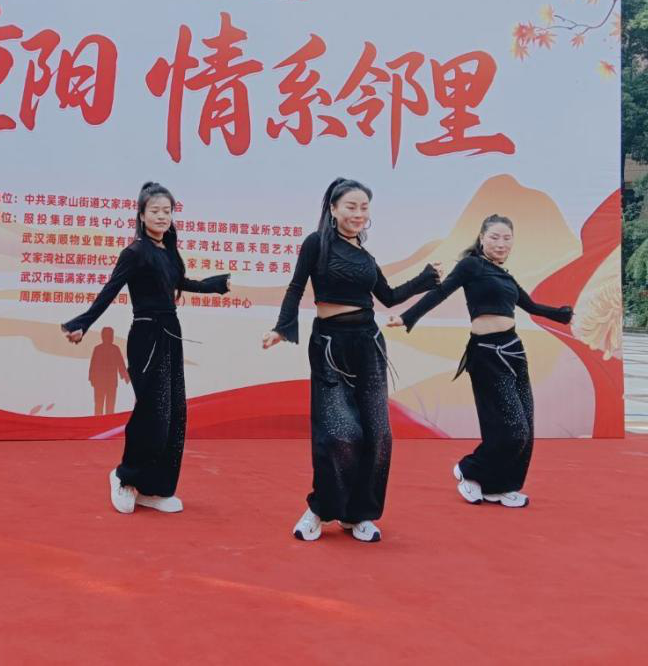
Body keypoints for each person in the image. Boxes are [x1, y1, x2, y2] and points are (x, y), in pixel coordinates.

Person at [263, 177, 440, 544]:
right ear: (333, 209)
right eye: (351, 206)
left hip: (368, 343)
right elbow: (296, 287)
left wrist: (425, 279)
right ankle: (319, 509)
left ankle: (359, 513)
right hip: (330, 343)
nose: (358, 214)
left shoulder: (364, 255)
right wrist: (282, 327)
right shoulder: (316, 244)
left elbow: (388, 296)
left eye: (364, 207)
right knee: (339, 434)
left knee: (379, 434)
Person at [62, 181, 231, 515]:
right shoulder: (135, 252)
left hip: (171, 334)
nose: (162, 216)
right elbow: (110, 290)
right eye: (155, 211)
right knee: (152, 412)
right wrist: (83, 322)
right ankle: (124, 477)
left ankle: (155, 488)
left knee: (174, 414)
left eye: (167, 211)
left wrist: (217, 285)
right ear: (141, 215)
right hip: (146, 336)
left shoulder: (168, 250)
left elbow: (180, 283)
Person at [388, 214, 573, 509]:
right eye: (495, 237)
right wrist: (407, 317)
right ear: (482, 238)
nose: (501, 243)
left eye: (507, 238)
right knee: (512, 429)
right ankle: (469, 469)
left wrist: (563, 315)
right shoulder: (471, 266)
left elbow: (531, 306)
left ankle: (501, 486)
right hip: (486, 353)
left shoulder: (506, 277)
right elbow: (441, 292)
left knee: (526, 429)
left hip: (514, 352)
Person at [89, 326, 129, 416]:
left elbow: (120, 364)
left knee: (104, 406)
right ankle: (102, 422)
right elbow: (93, 365)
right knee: (103, 406)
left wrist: (126, 376)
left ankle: (102, 422)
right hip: (105, 383)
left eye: (111, 335)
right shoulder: (106, 349)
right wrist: (92, 378)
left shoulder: (107, 349)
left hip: (105, 383)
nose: (111, 337)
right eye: (110, 335)